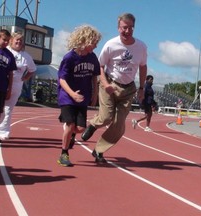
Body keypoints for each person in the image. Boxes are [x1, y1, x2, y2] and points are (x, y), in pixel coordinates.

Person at [81, 13, 147, 163]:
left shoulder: (141, 47)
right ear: (118, 28)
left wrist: (142, 87)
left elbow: (143, 67)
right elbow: (100, 66)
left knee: (118, 125)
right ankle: (93, 124)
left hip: (128, 88)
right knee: (106, 118)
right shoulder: (111, 45)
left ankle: (99, 151)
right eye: (124, 28)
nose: (127, 31)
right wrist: (105, 84)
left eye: (131, 28)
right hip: (110, 83)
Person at [57, 25, 101, 166]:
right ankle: (64, 154)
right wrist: (71, 94)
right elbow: (62, 79)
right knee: (70, 125)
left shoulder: (92, 57)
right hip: (67, 97)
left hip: (83, 97)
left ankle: (71, 135)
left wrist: (95, 94)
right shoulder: (69, 58)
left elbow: (95, 76)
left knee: (80, 129)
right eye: (94, 42)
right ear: (85, 40)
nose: (95, 46)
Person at [0, 32, 36, 140]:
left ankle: (0, 132)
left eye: (21, 40)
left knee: (5, 109)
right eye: (17, 40)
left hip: (12, 85)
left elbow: (32, 70)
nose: (19, 42)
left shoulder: (25, 56)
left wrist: (24, 78)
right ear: (11, 40)